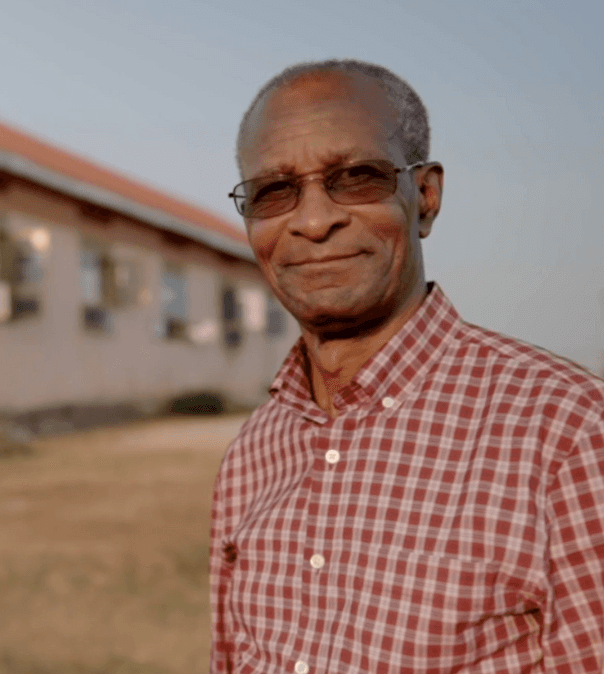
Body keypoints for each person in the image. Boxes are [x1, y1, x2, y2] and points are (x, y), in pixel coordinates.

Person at [210, 59, 604, 673]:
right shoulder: (253, 451)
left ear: (425, 196)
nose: (314, 221)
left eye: (356, 177)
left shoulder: (570, 434)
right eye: (274, 191)